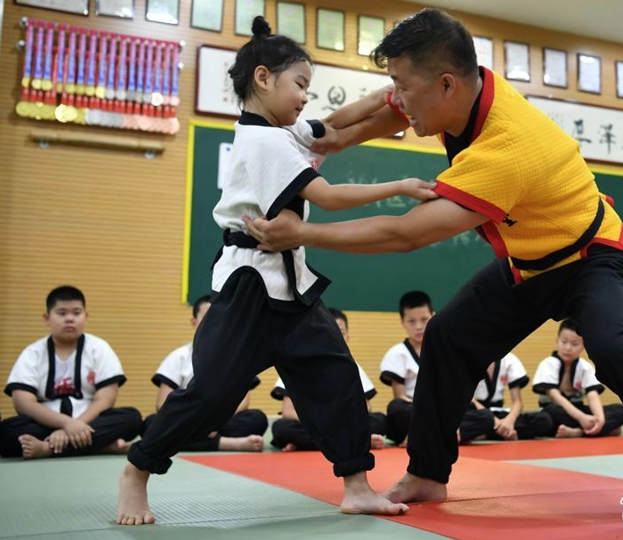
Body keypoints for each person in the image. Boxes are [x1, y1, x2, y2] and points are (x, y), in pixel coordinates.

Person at [244, 8, 623, 512]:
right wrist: (326, 135)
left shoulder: (507, 148)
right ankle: (428, 474)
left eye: (405, 85)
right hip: (529, 261)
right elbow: (386, 106)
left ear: (446, 85)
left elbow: (404, 233)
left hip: (593, 256)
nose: (399, 97)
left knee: (613, 347)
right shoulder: (456, 93)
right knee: (447, 336)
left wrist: (301, 233)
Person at [116, 16, 434, 525]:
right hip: (249, 287)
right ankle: (138, 469)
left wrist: (387, 95)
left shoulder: (282, 132)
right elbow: (325, 198)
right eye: (300, 85)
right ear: (263, 79)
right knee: (212, 394)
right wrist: (399, 186)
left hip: (293, 285)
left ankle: (356, 485)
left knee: (337, 378)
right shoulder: (262, 142)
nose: (306, 98)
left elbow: (331, 128)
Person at [0, 285, 141, 459]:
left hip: (89, 421)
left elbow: (106, 399)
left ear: (86, 316)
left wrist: (75, 426)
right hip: (47, 423)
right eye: (61, 313)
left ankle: (47, 449)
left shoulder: (99, 348)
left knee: (132, 419)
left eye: (76, 313)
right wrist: (66, 424)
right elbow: (23, 403)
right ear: (47, 318)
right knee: (5, 431)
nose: (69, 319)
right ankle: (100, 447)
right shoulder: (33, 353)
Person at [142, 295, 268, 452]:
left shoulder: (237, 356)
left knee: (257, 419)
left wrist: (214, 423)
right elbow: (162, 403)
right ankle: (227, 444)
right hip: (187, 420)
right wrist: (196, 424)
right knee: (151, 424)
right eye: (208, 317)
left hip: (221, 421)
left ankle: (192, 440)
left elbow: (243, 402)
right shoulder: (179, 356)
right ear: (194, 323)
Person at [379, 291, 493, 447]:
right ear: (402, 322)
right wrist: (430, 413)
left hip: (444, 410)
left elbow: (458, 390)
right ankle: (445, 433)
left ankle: (431, 434)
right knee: (396, 408)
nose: (418, 326)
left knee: (486, 417)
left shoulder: (446, 349)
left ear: (433, 316)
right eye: (411, 321)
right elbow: (400, 396)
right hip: (416, 410)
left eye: (424, 319)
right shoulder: (397, 353)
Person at [271, 307, 387, 452]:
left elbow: (366, 408)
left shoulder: (352, 366)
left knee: (379, 420)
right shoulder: (297, 364)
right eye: (329, 332)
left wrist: (337, 422)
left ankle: (308, 444)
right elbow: (288, 411)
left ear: (347, 338)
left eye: (341, 332)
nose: (335, 337)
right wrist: (322, 421)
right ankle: (353, 442)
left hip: (341, 423)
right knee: (281, 428)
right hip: (313, 423)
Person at [532, 319, 623, 438]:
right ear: (557, 341)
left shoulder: (585, 367)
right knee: (548, 417)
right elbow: (556, 397)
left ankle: (578, 432)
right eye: (564, 342)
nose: (568, 348)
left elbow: (592, 397)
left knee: (621, 411)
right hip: (557, 410)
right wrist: (581, 418)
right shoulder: (547, 364)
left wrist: (600, 420)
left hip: (579, 408)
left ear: (583, 346)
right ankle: (601, 430)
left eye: (574, 344)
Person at [472, 352, 552, 441]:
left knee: (544, 420)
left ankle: (484, 433)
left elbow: (517, 402)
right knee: (462, 421)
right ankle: (497, 433)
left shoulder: (508, 359)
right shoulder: (469, 357)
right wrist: (493, 420)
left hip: (497, 413)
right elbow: (470, 399)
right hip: (475, 412)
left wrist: (509, 422)